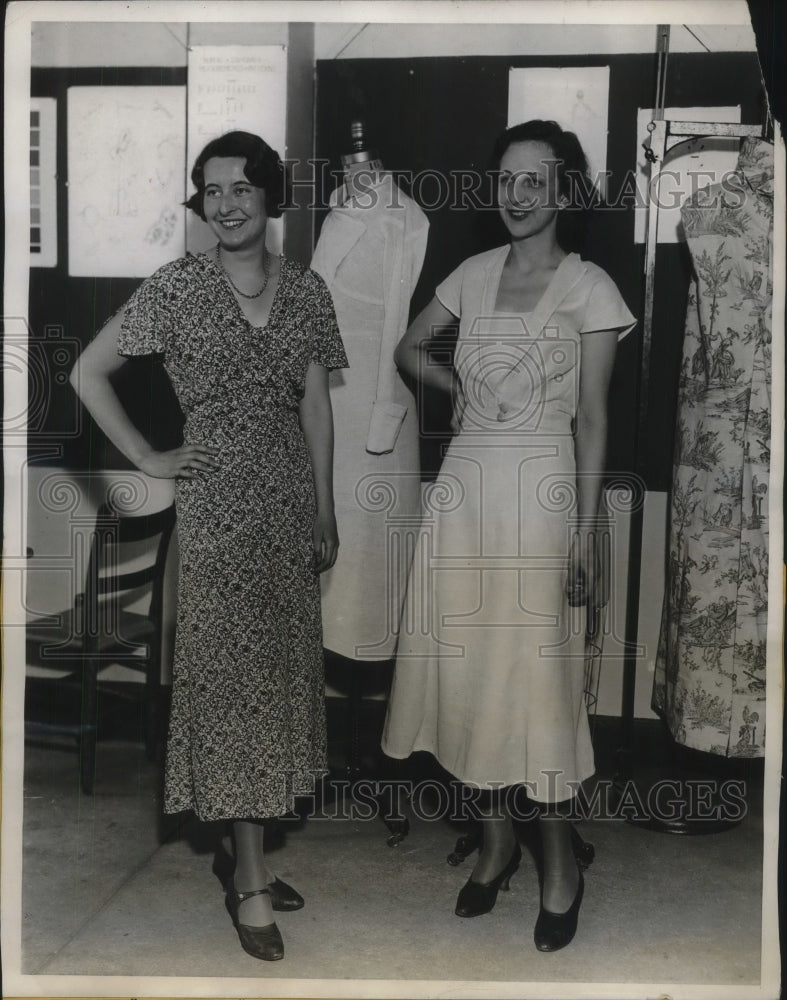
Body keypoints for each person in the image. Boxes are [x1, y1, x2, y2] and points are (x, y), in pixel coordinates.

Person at [70, 131, 348, 962]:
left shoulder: (307, 292)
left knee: (277, 680)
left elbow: (315, 408)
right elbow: (87, 372)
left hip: (288, 506)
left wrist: (325, 508)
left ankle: (241, 847)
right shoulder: (177, 289)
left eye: (239, 188)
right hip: (218, 512)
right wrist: (152, 458)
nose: (224, 204)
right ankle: (251, 879)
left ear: (269, 197)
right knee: (232, 692)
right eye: (210, 191)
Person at [382, 120, 635, 951]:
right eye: (505, 180)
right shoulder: (470, 271)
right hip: (463, 495)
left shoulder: (589, 287)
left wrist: (584, 534)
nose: (517, 196)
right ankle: (492, 846)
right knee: (467, 682)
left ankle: (559, 865)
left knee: (538, 689)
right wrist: (454, 381)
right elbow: (407, 346)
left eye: (535, 182)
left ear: (562, 192)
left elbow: (594, 420)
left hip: (542, 497)